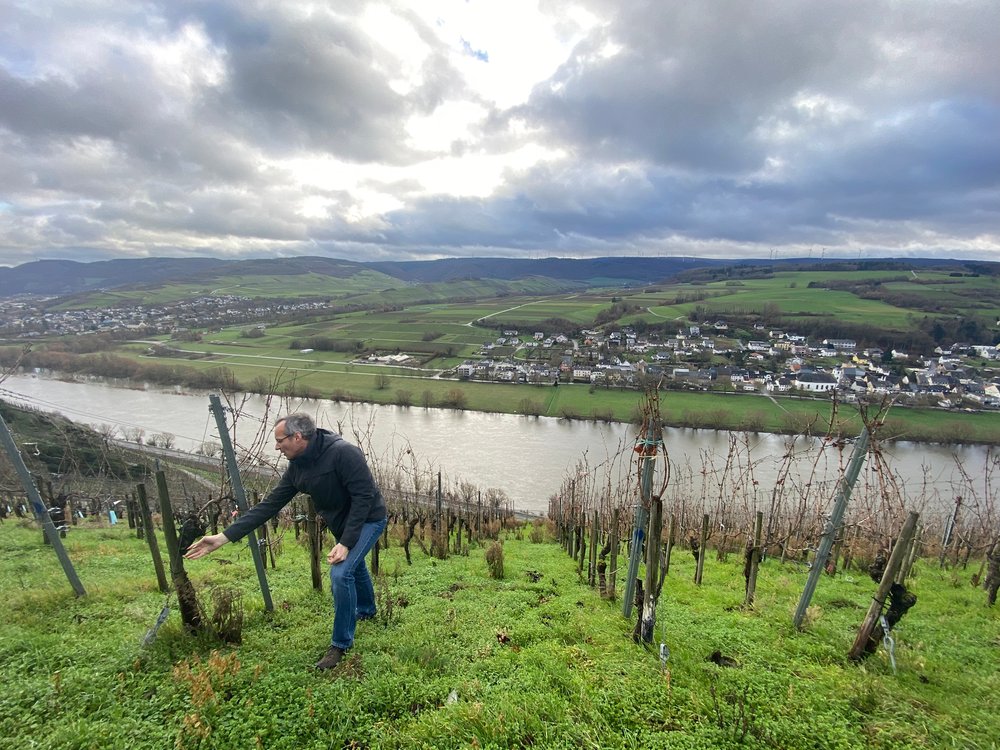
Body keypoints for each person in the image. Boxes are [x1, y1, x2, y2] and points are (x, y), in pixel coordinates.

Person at [184, 412, 387, 670]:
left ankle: (340, 644)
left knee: (341, 574)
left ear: (298, 437)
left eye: (280, 440)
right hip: (343, 525)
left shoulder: (344, 453)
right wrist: (224, 537)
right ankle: (367, 610)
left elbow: (363, 497)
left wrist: (346, 542)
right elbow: (269, 505)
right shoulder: (298, 466)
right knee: (353, 566)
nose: (276, 446)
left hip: (368, 519)